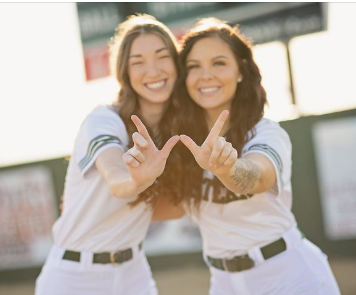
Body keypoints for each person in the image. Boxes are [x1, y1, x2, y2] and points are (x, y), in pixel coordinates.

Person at [175, 18, 341, 295]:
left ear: (241, 70)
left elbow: (257, 177)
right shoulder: (185, 143)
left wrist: (227, 169)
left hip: (290, 276)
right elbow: (170, 208)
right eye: (194, 67)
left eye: (219, 63)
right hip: (224, 282)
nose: (206, 75)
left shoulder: (265, 132)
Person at [35, 14, 184, 295]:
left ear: (176, 64)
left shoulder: (178, 129)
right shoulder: (103, 119)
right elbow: (117, 180)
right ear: (124, 72)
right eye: (137, 62)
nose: (152, 70)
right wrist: (136, 182)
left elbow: (174, 208)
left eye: (162, 56)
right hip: (74, 276)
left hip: (133, 273)